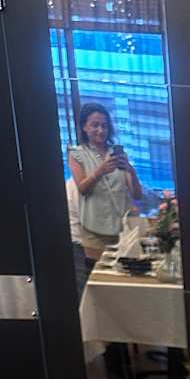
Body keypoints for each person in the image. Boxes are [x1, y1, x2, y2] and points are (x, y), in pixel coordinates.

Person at [68, 101, 141, 263]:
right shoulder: (76, 154)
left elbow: (137, 194)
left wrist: (131, 170)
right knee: (98, 273)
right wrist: (100, 171)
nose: (100, 130)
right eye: (95, 125)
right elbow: (83, 189)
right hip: (94, 231)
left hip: (124, 230)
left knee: (127, 272)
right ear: (84, 127)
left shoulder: (117, 154)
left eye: (104, 126)